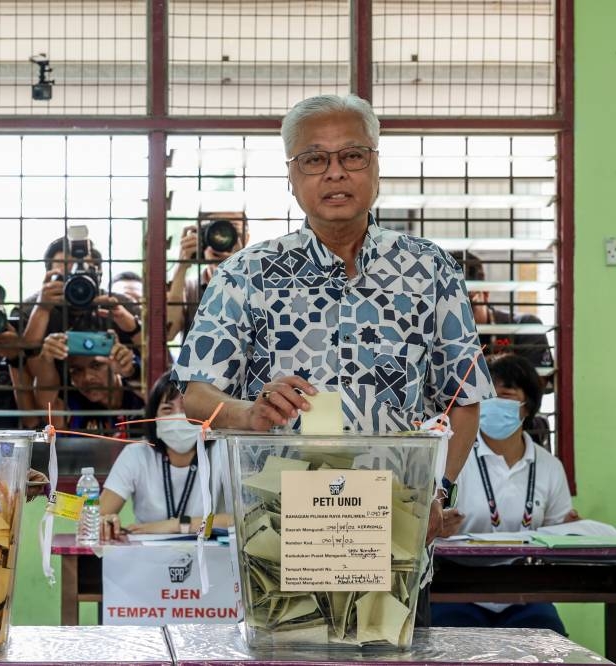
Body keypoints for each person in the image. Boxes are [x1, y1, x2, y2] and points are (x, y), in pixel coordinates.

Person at [172, 93, 495, 546]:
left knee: (391, 621)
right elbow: (196, 397)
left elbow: (463, 398)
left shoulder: (431, 270)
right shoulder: (246, 274)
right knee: (285, 620)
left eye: (353, 155)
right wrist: (250, 413)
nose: (335, 171)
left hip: (397, 524)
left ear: (376, 167)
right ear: (291, 176)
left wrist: (437, 493)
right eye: (314, 159)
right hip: (278, 529)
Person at [433, 354, 576, 633]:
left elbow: (556, 534)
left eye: (506, 396)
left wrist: (569, 531)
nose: (494, 404)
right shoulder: (454, 460)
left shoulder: (549, 467)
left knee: (549, 636)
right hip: (458, 587)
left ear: (527, 407)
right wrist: (439, 524)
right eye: (488, 396)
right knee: (450, 639)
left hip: (524, 593)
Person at [98, 372, 233, 541]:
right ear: (154, 419)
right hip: (148, 558)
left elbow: (242, 519)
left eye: (187, 410)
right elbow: (99, 516)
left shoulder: (222, 450)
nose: (179, 417)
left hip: (206, 555)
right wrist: (106, 520)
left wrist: (177, 525)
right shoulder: (136, 454)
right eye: (167, 409)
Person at [451, 251, 555, 391]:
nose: (459, 318)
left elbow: (531, 392)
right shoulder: (429, 337)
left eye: (467, 307)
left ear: (485, 294)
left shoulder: (524, 328)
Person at [27, 330, 144, 434]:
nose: (87, 377)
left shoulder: (137, 391)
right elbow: (46, 405)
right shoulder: (75, 406)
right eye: (77, 370)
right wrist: (46, 360)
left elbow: (156, 396)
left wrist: (130, 372)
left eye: (96, 365)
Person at [165, 212, 249, 341]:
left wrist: (235, 270)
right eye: (215, 231)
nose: (221, 238)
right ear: (201, 235)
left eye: (232, 231)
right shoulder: (188, 289)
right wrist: (182, 265)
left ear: (246, 238)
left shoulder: (259, 285)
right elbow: (167, 334)